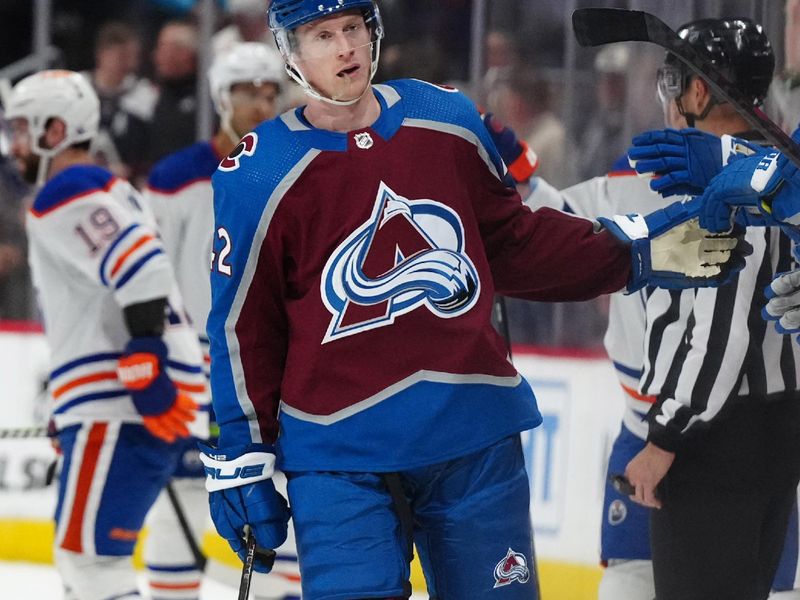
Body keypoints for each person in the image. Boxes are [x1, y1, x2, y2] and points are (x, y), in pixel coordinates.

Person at [199, 2, 749, 598]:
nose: (345, 49)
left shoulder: (447, 119)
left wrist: (634, 251)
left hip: (471, 438)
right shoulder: (256, 174)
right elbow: (243, 329)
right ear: (291, 52)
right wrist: (241, 454)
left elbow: (514, 243)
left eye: (354, 29)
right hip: (339, 457)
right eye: (323, 36)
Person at [4, 69, 209, 600]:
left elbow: (143, 270)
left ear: (56, 130)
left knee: (90, 565)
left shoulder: (66, 190)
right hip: (126, 404)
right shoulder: (109, 189)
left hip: (121, 408)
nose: (13, 144)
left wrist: (144, 364)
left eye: (22, 129)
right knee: (88, 561)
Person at [621, 18, 800, 600]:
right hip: (778, 432)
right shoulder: (784, 168)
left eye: (675, 83)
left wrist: (664, 438)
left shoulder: (722, 178)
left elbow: (718, 332)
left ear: (697, 93)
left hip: (714, 439)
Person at [143, 42, 301, 600]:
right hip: (196, 367)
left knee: (278, 496)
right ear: (219, 97)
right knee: (185, 494)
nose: (261, 103)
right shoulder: (174, 179)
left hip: (272, 368)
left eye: (269, 92)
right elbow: (147, 277)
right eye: (247, 92)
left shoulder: (296, 169)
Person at [85, 21, 158, 181]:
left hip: (126, 181)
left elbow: (151, 147)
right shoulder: (78, 87)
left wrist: (133, 170)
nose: (130, 64)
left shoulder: (145, 94)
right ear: (102, 54)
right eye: (123, 56)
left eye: (134, 57)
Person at [148, 20, 199, 165]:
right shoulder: (151, 96)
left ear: (184, 53)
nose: (156, 56)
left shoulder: (206, 99)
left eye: (162, 48)